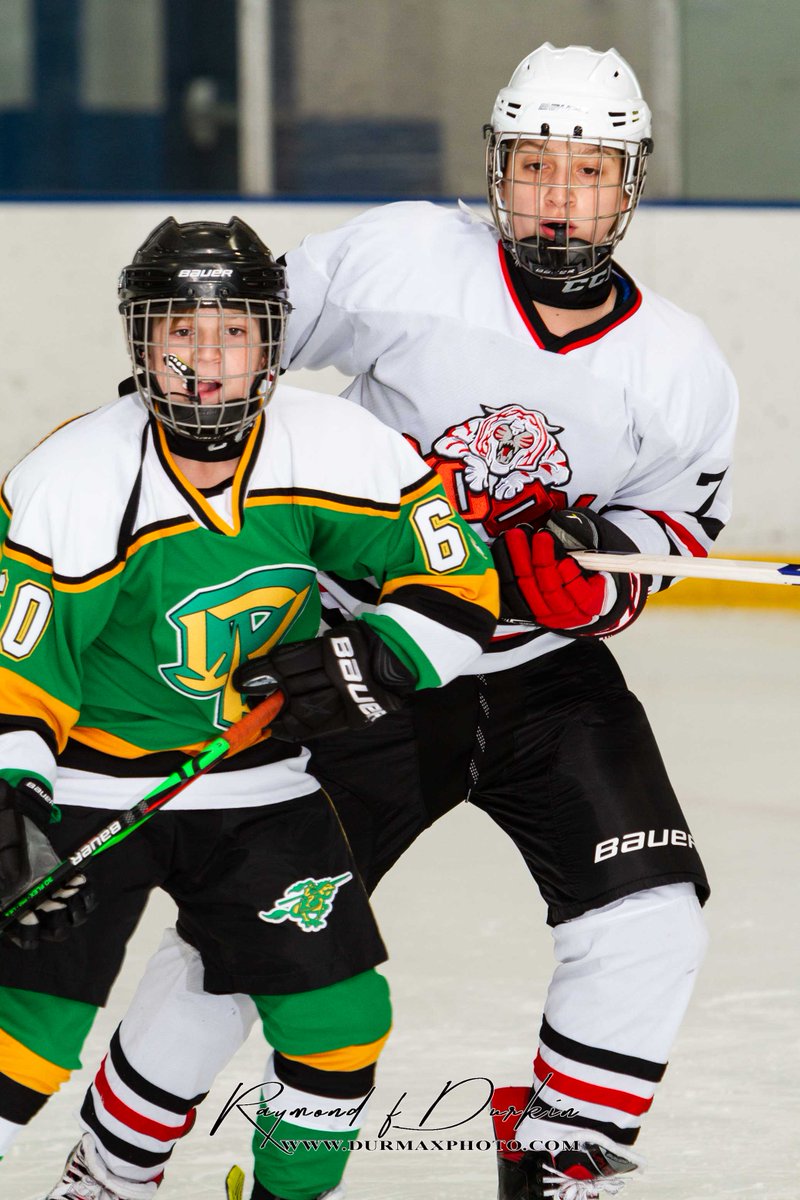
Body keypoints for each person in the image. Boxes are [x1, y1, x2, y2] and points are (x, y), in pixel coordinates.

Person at [21, 41, 738, 1200]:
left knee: (650, 910)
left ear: (630, 181)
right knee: (247, 938)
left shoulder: (680, 367)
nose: (559, 196)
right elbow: (224, 360)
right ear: (495, 170)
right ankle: (114, 1164)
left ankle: (560, 1156)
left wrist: (592, 579)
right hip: (348, 661)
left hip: (542, 678)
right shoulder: (402, 255)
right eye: (535, 164)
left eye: (589, 170)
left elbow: (669, 529)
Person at [0, 216, 499, 1200]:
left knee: (340, 1027)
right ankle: (105, 1179)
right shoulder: (70, 477)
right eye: (177, 333)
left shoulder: (342, 446)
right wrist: (11, 800)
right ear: (141, 343)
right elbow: (23, 668)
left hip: (258, 785)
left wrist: (374, 659)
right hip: (89, 787)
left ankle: (169, 1183)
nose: (204, 361)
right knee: (24, 1044)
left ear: (271, 342)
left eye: (231, 332)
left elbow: (456, 583)